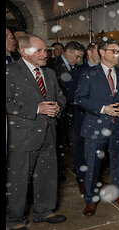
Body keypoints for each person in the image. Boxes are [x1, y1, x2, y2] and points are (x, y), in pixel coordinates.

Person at [6, 34, 67, 230]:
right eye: (39, 51)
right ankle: (16, 220)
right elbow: (7, 103)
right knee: (19, 179)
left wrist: (58, 106)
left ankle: (44, 211)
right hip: (22, 136)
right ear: (24, 52)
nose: (45, 54)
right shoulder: (10, 71)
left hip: (49, 132)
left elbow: (60, 96)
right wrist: (36, 108)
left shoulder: (49, 73)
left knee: (48, 175)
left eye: (45, 50)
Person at [75, 39, 119, 216]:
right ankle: (90, 199)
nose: (118, 54)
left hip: (118, 127)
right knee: (93, 165)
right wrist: (103, 109)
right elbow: (80, 99)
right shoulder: (89, 74)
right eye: (114, 51)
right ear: (102, 52)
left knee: (118, 163)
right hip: (95, 127)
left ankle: (118, 193)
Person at [47, 41, 85, 182]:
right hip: (57, 111)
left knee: (75, 140)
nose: (79, 60)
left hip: (73, 111)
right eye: (77, 57)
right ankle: (57, 172)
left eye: (80, 57)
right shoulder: (51, 65)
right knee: (57, 143)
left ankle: (79, 168)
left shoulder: (76, 67)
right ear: (68, 52)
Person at [66, 42, 101, 194]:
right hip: (83, 117)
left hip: (102, 119)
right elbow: (72, 97)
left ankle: (96, 178)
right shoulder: (78, 72)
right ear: (90, 52)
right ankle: (82, 179)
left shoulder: (106, 71)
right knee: (82, 149)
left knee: (99, 150)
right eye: (100, 51)